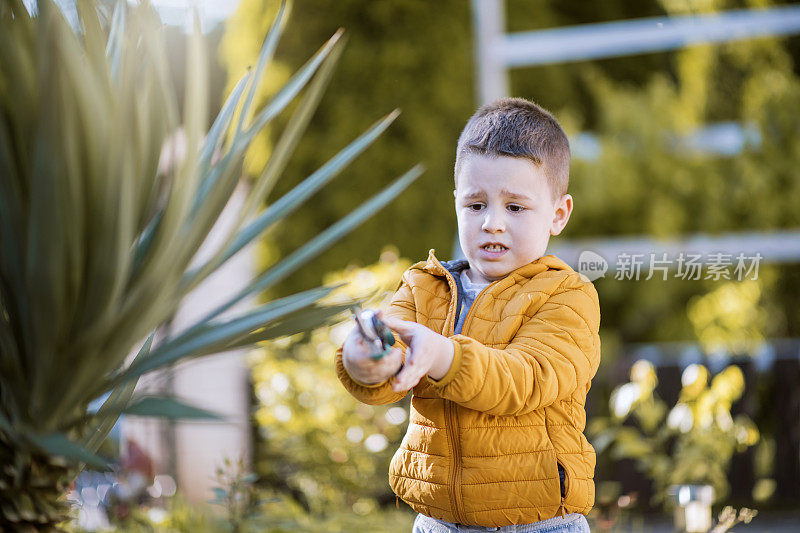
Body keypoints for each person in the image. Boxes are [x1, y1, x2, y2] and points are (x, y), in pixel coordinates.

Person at [335, 97, 600, 532]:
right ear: (456, 202)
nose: (492, 222)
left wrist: (443, 356)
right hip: (438, 522)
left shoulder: (567, 296)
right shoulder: (423, 287)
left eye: (515, 207)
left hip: (537, 523)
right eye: (476, 205)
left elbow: (526, 379)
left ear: (558, 214)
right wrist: (366, 360)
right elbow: (390, 365)